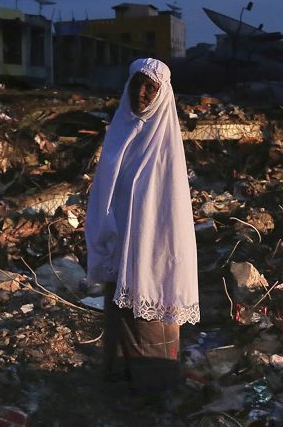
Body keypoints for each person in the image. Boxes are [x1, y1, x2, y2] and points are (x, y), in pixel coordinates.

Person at [85, 57, 199, 394]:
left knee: (149, 319)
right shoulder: (120, 130)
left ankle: (154, 386)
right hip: (119, 245)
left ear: (163, 92)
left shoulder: (163, 143)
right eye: (137, 84)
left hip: (154, 251)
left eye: (151, 87)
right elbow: (105, 192)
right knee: (119, 318)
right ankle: (119, 380)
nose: (143, 93)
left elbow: (166, 211)